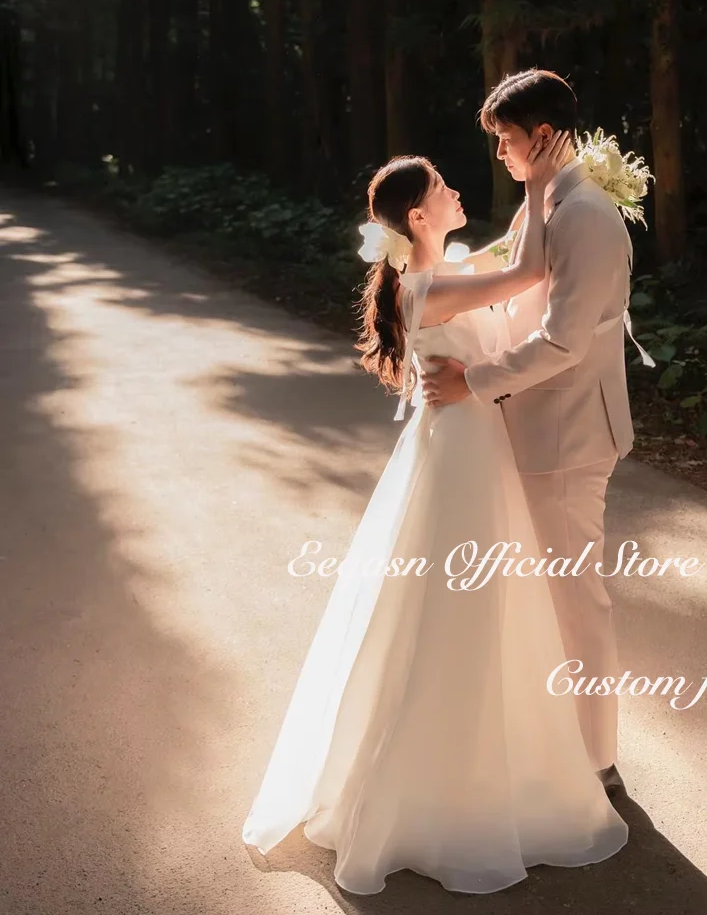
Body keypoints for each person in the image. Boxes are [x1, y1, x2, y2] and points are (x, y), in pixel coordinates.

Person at [241, 133, 628, 896]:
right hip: (462, 453)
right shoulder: (430, 287)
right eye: (446, 187)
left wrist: (556, 193)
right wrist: (550, 182)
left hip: (476, 443)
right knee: (463, 611)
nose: (457, 191)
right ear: (419, 217)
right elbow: (525, 268)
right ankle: (443, 783)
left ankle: (500, 756)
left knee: (490, 606)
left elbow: (508, 253)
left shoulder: (443, 271)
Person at [422, 69, 637, 795]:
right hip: (531, 429)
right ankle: (551, 749)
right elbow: (504, 279)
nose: (503, 155)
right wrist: (421, 275)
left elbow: (564, 341)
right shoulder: (542, 204)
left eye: (509, 141)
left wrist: (471, 382)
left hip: (569, 435)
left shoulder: (584, 215)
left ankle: (597, 763)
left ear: (543, 136)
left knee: (577, 602)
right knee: (544, 598)